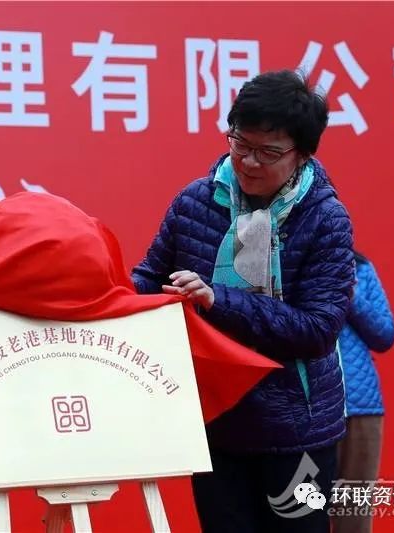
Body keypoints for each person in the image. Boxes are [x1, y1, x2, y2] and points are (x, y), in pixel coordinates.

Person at [132, 70, 354, 532]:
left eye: (268, 152)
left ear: (302, 154)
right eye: (240, 143)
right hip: (217, 420)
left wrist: (219, 300)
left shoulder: (325, 219)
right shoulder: (196, 201)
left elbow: (317, 329)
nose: (249, 162)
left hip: (295, 431)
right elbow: (150, 279)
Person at [332, 252, 394, 533]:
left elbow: (385, 335)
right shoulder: (287, 263)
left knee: (354, 516)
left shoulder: (361, 269)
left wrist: (352, 295)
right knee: (301, 511)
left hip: (361, 409)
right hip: (307, 410)